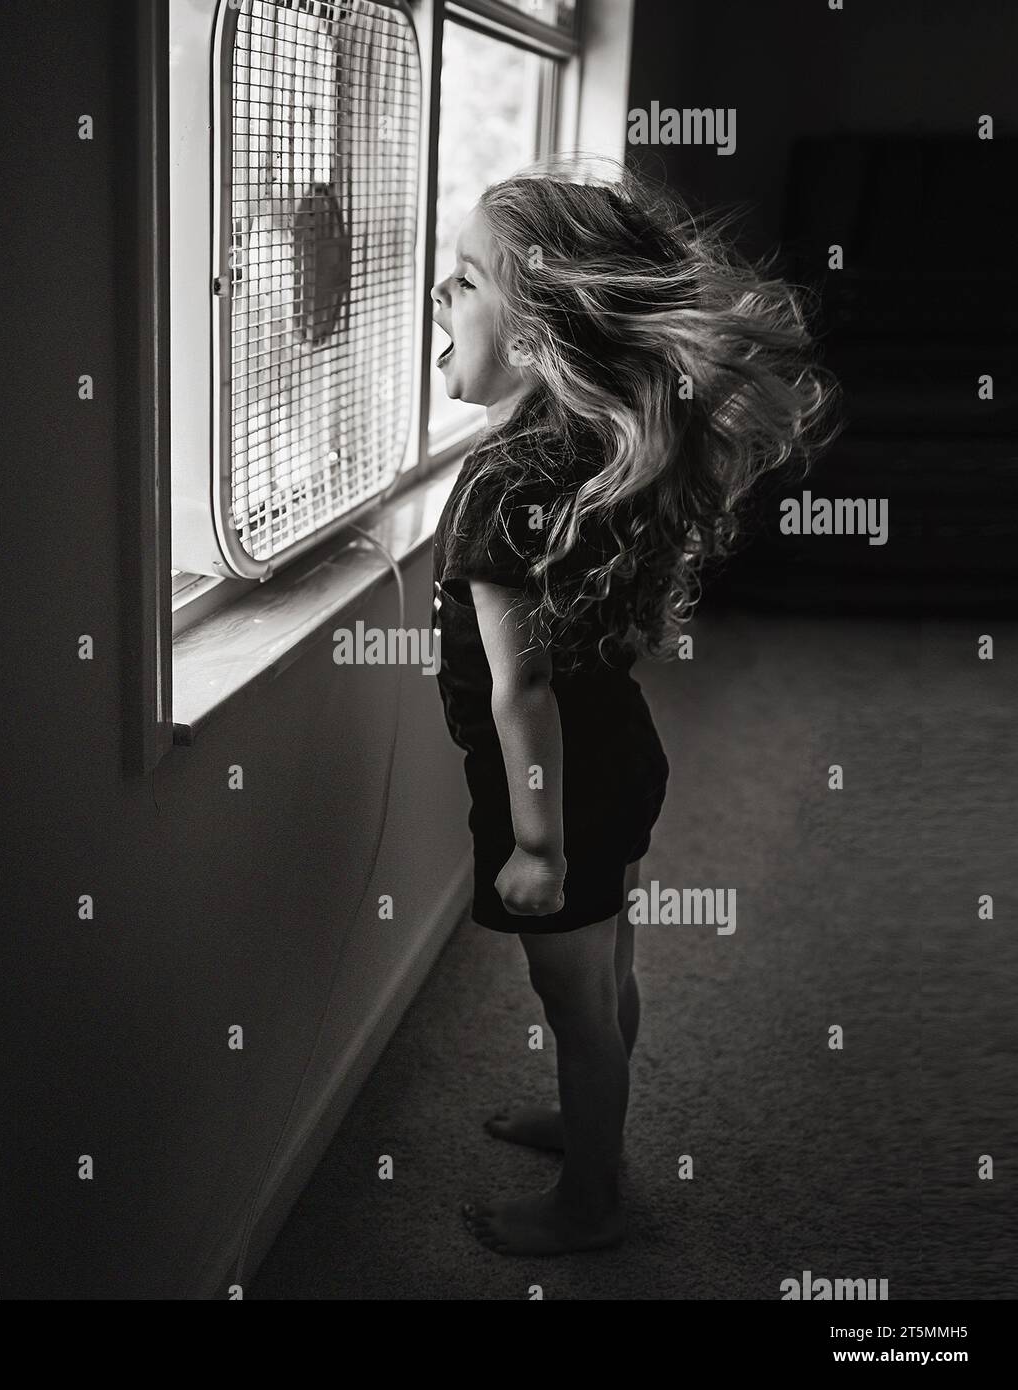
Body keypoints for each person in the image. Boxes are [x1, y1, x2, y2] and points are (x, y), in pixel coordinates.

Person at [429, 155, 837, 1255]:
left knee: (573, 995)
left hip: (555, 783)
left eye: (465, 282)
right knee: (609, 970)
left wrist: (537, 846)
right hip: (615, 753)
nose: (438, 295)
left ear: (535, 336)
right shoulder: (585, 446)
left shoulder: (504, 485)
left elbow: (522, 687)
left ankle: (593, 1200)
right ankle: (588, 1116)